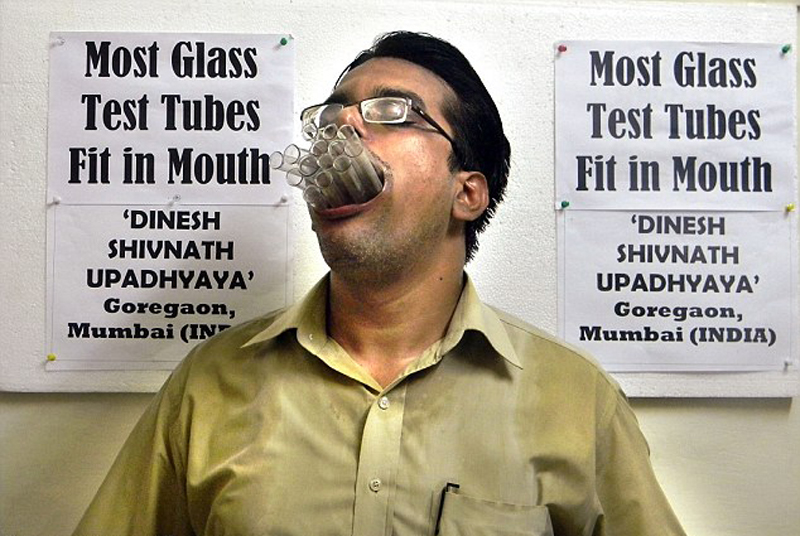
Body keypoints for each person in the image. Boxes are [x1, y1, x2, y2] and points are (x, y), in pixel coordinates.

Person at [73, 31, 686, 536]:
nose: (342, 129)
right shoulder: (208, 385)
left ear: (467, 193)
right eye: (332, 119)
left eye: (393, 112)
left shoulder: (575, 400)